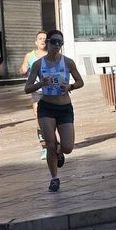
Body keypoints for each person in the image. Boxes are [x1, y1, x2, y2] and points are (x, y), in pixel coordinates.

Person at [22, 29, 85, 193]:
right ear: (47, 42)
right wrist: (41, 84)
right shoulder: (38, 64)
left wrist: (70, 86)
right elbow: (27, 88)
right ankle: (54, 178)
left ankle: (59, 151)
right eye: (54, 42)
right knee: (50, 144)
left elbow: (80, 82)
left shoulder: (68, 62)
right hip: (46, 107)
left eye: (60, 43)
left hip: (64, 108)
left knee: (68, 147)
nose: (57, 45)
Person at [21, 30, 49, 160]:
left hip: (51, 91)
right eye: (40, 38)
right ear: (36, 42)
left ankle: (53, 142)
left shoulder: (52, 54)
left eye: (45, 38)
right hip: (37, 91)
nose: (43, 40)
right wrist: (24, 69)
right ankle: (44, 148)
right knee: (39, 117)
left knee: (52, 117)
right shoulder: (30, 55)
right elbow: (22, 69)